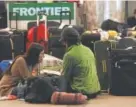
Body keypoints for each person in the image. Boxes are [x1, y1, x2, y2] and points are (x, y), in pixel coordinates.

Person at [60, 26, 101, 99]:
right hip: (95, 90)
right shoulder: (88, 50)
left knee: (57, 81)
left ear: (66, 41)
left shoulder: (69, 55)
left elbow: (65, 77)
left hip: (81, 91)